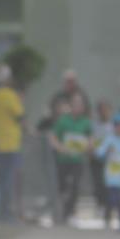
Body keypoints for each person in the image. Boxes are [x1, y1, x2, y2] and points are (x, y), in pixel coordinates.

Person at [0, 64, 24, 221]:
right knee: (8, 180)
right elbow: (20, 116)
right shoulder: (9, 95)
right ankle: (6, 213)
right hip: (10, 144)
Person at [48, 95, 92, 223]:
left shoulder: (85, 122)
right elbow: (53, 137)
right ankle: (60, 211)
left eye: (80, 105)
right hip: (63, 160)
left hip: (78, 160)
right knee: (62, 186)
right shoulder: (63, 121)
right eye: (75, 105)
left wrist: (88, 146)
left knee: (75, 186)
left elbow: (90, 137)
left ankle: (70, 212)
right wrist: (60, 148)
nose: (78, 107)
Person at [90, 100, 114, 211]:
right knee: (98, 182)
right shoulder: (94, 126)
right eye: (101, 110)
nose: (104, 112)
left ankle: (110, 205)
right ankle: (100, 204)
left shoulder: (113, 126)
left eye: (106, 110)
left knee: (109, 183)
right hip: (96, 158)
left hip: (110, 159)